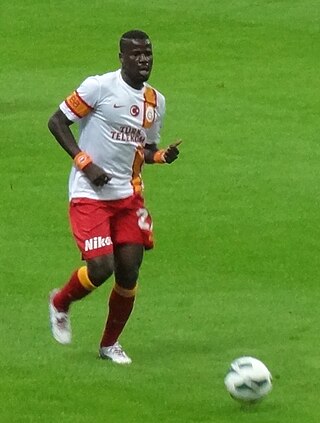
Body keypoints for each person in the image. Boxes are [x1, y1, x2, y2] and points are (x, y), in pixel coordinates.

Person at [47, 29, 181, 364]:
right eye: (135, 54)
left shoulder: (155, 102)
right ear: (121, 57)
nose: (143, 60)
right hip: (89, 193)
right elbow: (57, 122)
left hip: (127, 196)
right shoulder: (99, 87)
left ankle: (109, 344)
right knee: (100, 266)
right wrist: (85, 164)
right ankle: (60, 302)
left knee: (129, 270)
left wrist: (160, 156)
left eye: (148, 53)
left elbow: (143, 148)